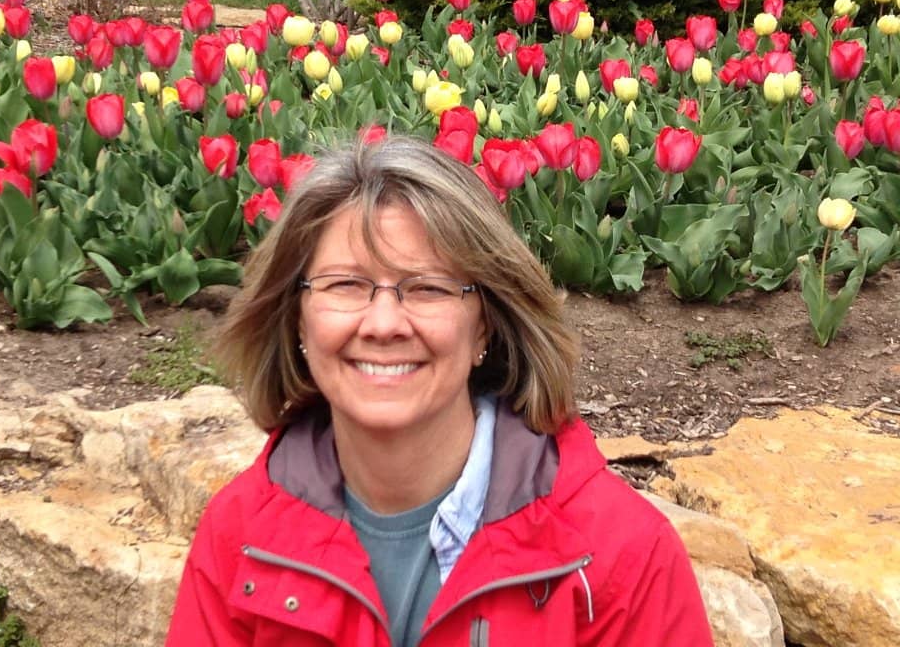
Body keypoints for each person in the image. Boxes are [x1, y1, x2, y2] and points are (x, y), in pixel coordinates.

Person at [165, 136, 714, 646]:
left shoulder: (617, 557)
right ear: (298, 322)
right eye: (346, 285)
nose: (383, 324)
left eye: (427, 288)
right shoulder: (238, 536)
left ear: (483, 327)